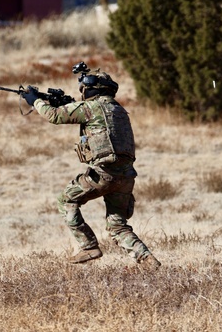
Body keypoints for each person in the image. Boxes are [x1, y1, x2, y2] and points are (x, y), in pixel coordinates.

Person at [22, 65, 160, 268]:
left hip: (102, 175)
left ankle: (88, 246)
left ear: (92, 88)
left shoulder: (91, 107)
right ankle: (148, 261)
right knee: (118, 226)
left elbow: (54, 116)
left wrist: (35, 101)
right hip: (126, 177)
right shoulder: (119, 110)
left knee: (66, 200)